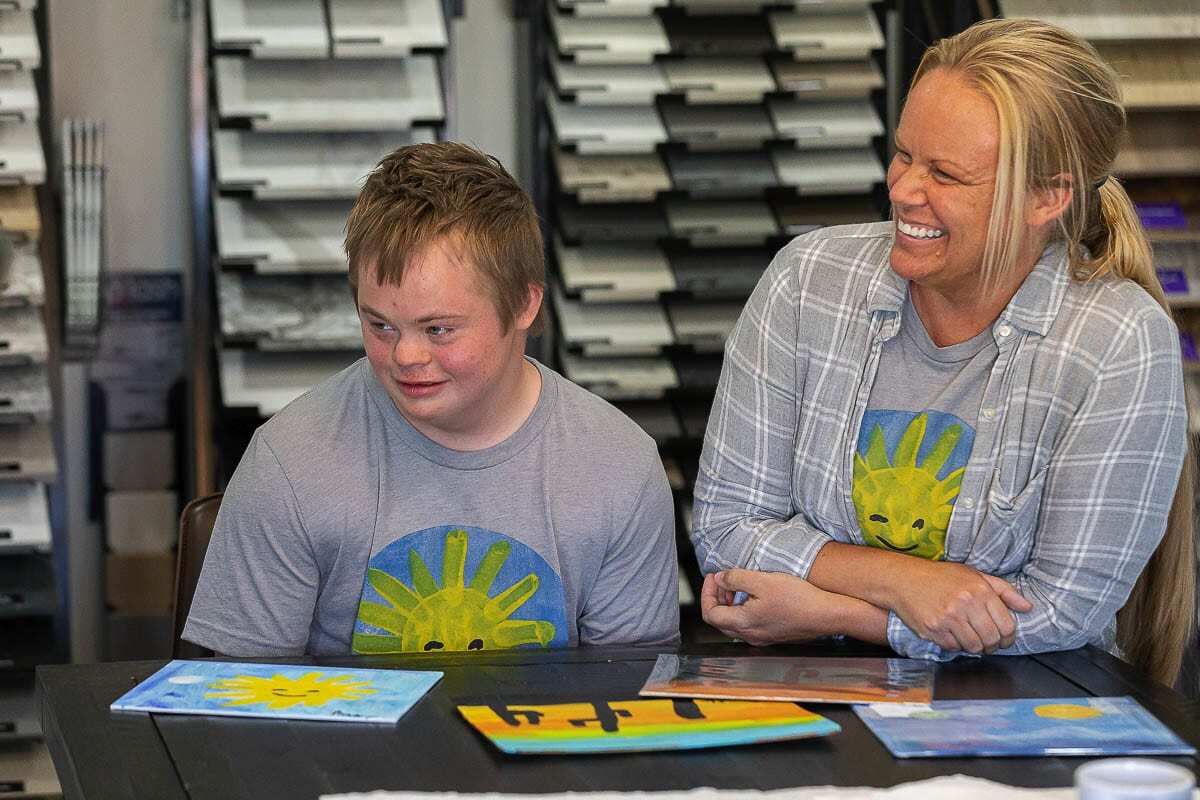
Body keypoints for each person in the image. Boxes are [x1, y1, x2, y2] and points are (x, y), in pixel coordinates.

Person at [692, 17, 1196, 687]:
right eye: (904, 154)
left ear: (1047, 197)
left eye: (947, 174)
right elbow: (726, 527)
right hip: (809, 689)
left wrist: (830, 611)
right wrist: (906, 581)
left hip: (1026, 703)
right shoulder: (809, 280)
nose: (902, 190)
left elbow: (1063, 610)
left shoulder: (1118, 342)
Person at [184, 142, 680, 656]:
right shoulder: (288, 461)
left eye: (438, 328)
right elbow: (240, 709)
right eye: (379, 325)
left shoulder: (620, 465)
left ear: (524, 303)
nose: (405, 355)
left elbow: (631, 702)